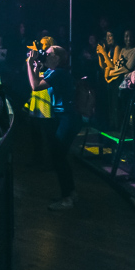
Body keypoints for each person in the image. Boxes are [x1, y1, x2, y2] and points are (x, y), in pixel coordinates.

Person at [27, 45, 80, 210]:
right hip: (64, 117)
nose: (45, 55)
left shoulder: (59, 73)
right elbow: (39, 81)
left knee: (58, 157)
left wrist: (29, 63)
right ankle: (70, 193)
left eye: (48, 54)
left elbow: (35, 86)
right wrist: (36, 66)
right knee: (60, 157)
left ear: (57, 58)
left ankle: (67, 199)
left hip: (69, 118)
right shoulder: (53, 72)